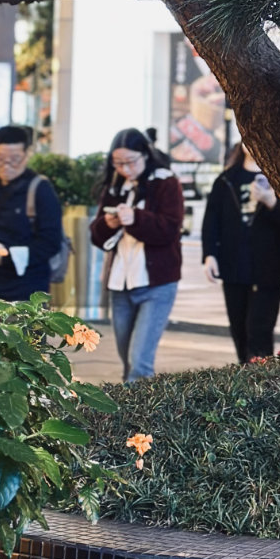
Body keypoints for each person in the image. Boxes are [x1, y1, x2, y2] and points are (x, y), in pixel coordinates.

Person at [89, 128, 183, 380]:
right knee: (126, 360)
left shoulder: (165, 182)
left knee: (139, 363)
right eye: (118, 163)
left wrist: (136, 219)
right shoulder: (115, 186)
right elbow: (96, 236)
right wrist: (107, 225)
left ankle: (138, 419)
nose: (125, 169)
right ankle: (130, 412)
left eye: (131, 162)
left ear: (145, 155)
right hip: (120, 284)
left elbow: (170, 230)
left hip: (156, 284)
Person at [202, 143, 280, 363]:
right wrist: (210, 255)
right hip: (233, 267)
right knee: (239, 331)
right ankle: (246, 383)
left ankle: (261, 385)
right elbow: (211, 220)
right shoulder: (227, 179)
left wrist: (270, 201)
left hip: (269, 270)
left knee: (260, 332)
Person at [0, 125, 63, 301]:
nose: (6, 166)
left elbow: (51, 242)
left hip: (28, 291)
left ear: (27, 155)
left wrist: (6, 256)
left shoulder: (40, 189)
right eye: (0, 159)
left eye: (15, 159)